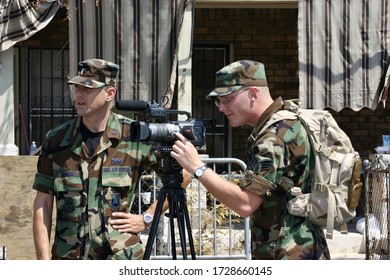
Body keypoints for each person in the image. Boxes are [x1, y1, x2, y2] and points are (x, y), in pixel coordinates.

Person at [170, 60, 331, 260]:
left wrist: (198, 168)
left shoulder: (274, 137)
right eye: (219, 101)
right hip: (300, 247)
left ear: (253, 93)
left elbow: (245, 204)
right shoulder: (284, 123)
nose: (221, 107)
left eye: (227, 98)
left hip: (289, 253)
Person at [32, 58, 190, 260]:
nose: (79, 94)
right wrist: (43, 265)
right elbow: (43, 204)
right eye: (77, 87)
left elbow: (184, 173)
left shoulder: (135, 135)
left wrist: (147, 217)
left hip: (120, 259)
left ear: (109, 93)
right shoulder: (57, 140)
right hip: (69, 260)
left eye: (88, 88)